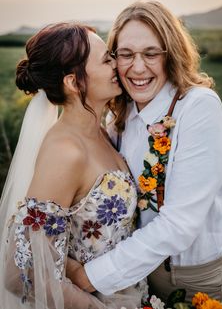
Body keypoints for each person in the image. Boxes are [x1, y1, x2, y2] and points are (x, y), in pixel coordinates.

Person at [66, 0, 222, 307]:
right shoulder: (121, 116)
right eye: (126, 54)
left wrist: (88, 277)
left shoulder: (199, 109)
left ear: (171, 55)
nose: (138, 67)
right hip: (137, 276)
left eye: (151, 53)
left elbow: (179, 225)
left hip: (192, 279)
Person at [0, 22, 147, 309]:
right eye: (106, 60)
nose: (117, 64)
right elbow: (20, 271)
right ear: (73, 82)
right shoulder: (65, 152)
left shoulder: (102, 131)